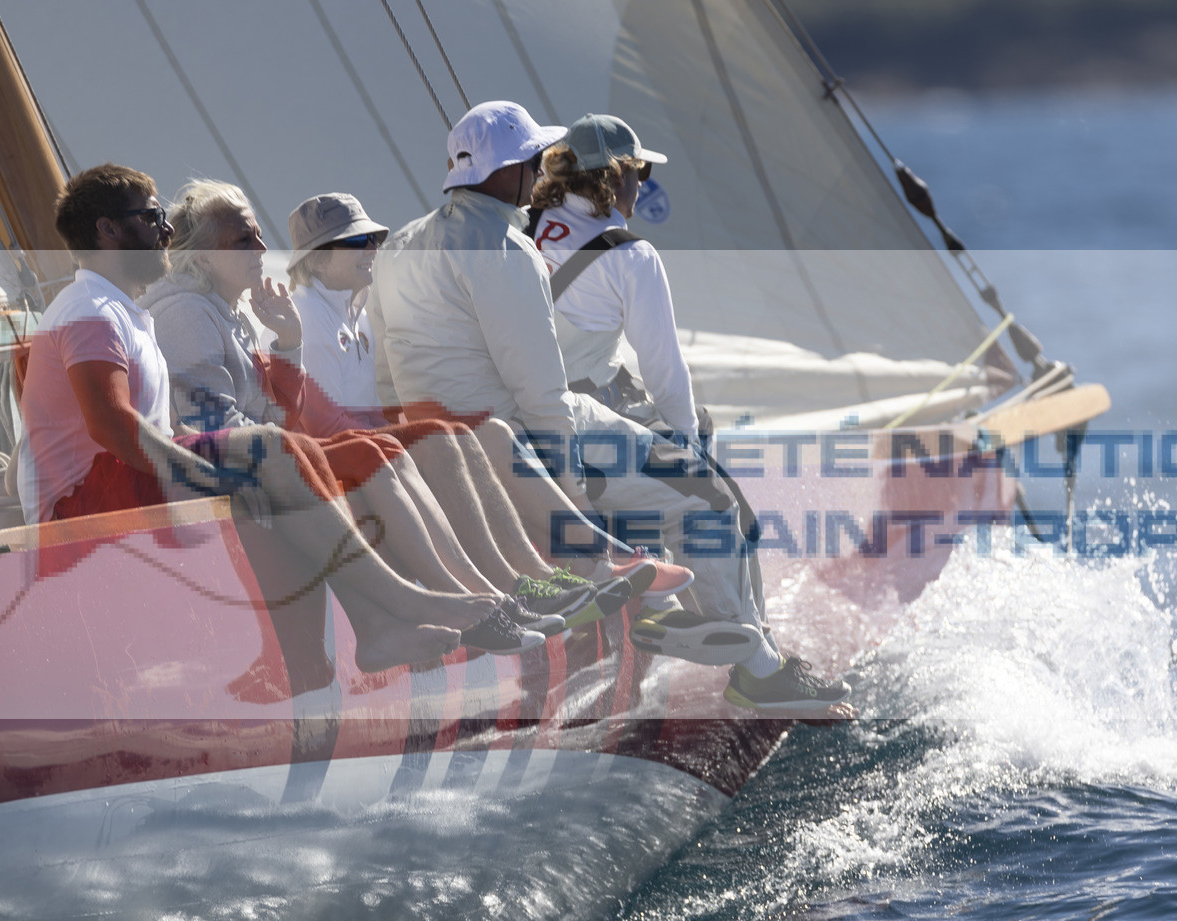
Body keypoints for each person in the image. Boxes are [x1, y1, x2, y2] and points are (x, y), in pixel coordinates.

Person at [371, 101, 849, 712]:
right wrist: (565, 500)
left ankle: (659, 604)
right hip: (522, 437)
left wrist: (419, 449)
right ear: (517, 166)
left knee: (648, 476)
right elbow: (545, 394)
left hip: (440, 446)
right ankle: (756, 667)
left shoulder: (403, 244)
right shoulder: (510, 250)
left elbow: (387, 376)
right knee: (708, 494)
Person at [16, 163, 500, 679]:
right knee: (276, 451)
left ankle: (384, 624)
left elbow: (231, 422)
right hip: (80, 507)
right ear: (108, 231)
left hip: (119, 482)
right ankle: (403, 605)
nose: (166, 231)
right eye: (153, 217)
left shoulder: (123, 310)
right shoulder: (92, 309)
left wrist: (283, 371)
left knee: (290, 451)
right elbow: (112, 426)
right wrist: (212, 477)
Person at [141, 178, 611, 653]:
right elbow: (222, 427)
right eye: (243, 239)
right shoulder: (187, 313)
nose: (262, 248)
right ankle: (482, 595)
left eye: (258, 234)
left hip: (278, 452)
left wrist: (287, 345)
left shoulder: (229, 310)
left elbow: (279, 417)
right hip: (242, 473)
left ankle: (512, 582)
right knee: (399, 444)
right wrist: (295, 354)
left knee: (453, 434)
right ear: (201, 257)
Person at [288, 190, 694, 606]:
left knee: (493, 433)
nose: (372, 249)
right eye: (357, 242)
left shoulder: (354, 309)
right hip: (350, 462)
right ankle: (596, 563)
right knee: (483, 437)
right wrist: (418, 432)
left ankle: (584, 565)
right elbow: (321, 425)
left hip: (374, 446)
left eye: (373, 239)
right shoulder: (307, 315)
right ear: (316, 259)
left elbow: (380, 393)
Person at [526, 114, 696, 442]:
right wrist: (690, 449)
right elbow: (665, 372)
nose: (643, 182)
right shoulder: (633, 256)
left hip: (511, 401)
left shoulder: (519, 220)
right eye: (641, 170)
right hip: (581, 420)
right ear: (618, 175)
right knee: (709, 486)